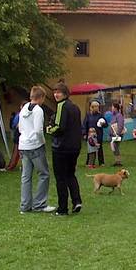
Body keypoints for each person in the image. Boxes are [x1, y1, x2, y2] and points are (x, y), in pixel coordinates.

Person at [18, 86, 55, 214]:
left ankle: (25, 205)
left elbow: (20, 127)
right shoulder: (38, 110)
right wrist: (42, 141)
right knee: (44, 174)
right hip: (35, 145)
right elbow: (39, 129)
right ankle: (39, 204)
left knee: (26, 176)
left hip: (23, 145)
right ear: (41, 98)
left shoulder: (24, 108)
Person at [47, 82, 82, 216]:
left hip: (62, 148)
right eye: (54, 92)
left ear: (65, 94)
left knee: (60, 178)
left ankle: (62, 208)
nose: (56, 94)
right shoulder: (75, 107)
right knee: (70, 174)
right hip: (75, 147)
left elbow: (59, 127)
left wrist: (49, 129)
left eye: (59, 92)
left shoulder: (62, 106)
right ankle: (77, 201)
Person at [81, 101, 106, 167]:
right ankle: (89, 162)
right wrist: (84, 133)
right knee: (91, 149)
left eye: (98, 107)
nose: (97, 108)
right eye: (96, 107)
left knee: (99, 148)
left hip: (99, 134)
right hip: (90, 135)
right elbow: (84, 125)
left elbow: (105, 124)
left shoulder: (100, 115)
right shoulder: (88, 115)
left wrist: (103, 124)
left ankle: (101, 162)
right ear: (92, 107)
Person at [6, 100, 28, 171]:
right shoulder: (24, 115)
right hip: (22, 135)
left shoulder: (20, 115)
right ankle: (13, 165)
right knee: (20, 151)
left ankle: (11, 166)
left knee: (17, 151)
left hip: (19, 134)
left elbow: (14, 125)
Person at [109, 102, 125, 167]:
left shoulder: (119, 116)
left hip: (117, 134)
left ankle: (118, 161)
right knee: (114, 147)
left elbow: (120, 125)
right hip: (113, 134)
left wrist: (117, 133)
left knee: (115, 146)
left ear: (115, 108)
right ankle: (117, 161)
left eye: (112, 107)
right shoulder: (113, 116)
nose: (111, 108)